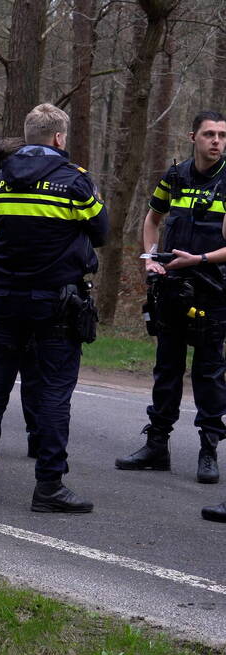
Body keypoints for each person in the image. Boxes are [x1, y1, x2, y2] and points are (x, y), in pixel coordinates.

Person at [0, 103, 108, 511]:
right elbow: (101, 232)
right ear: (59, 138)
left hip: (5, 299)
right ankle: (48, 486)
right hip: (55, 302)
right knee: (52, 392)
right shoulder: (75, 183)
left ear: (29, 137)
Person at [116, 111, 226, 485]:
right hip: (172, 288)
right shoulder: (174, 176)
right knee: (166, 369)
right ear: (192, 136)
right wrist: (150, 261)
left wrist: (200, 259)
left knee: (209, 374)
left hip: (213, 290)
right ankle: (156, 445)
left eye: (222, 136)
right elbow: (151, 220)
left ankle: (208, 449)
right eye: (209, 134)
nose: (217, 141)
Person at [0, 137, 43, 461]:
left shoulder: (12, 195)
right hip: (10, 296)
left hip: (9, 296)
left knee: (19, 378)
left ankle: (33, 439)